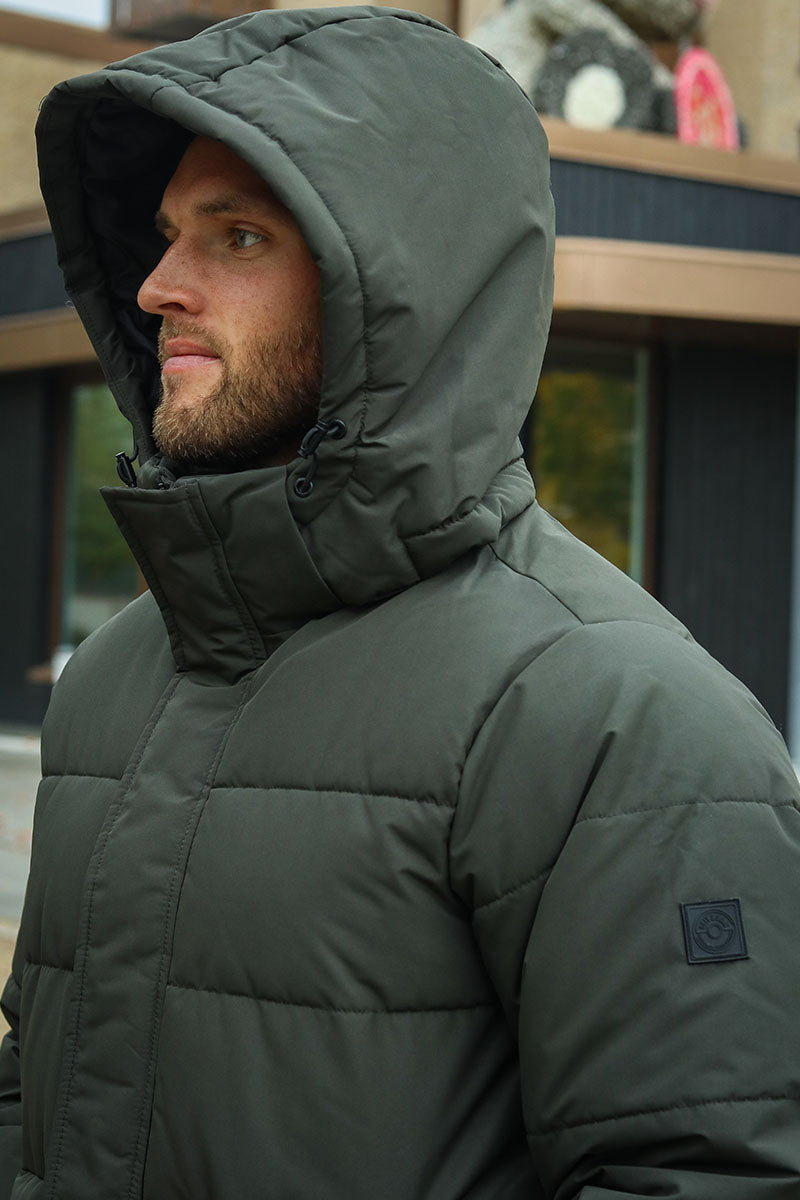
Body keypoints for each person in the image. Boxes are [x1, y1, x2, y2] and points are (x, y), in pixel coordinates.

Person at [1, 7, 799, 1198]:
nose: (158, 287)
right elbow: (39, 1096)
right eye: (165, 238)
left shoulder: (617, 717)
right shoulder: (116, 675)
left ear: (391, 287)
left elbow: (703, 1172)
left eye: (237, 236)